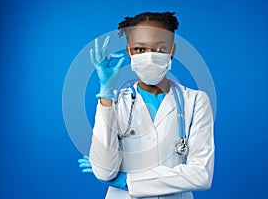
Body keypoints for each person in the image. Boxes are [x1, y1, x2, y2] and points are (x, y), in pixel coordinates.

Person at [78, 12, 215, 199]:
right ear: (129, 52)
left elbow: (201, 175)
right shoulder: (115, 103)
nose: (150, 57)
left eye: (160, 49)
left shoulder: (196, 101)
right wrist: (106, 92)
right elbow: (104, 171)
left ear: (172, 50)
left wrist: (128, 181)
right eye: (140, 50)